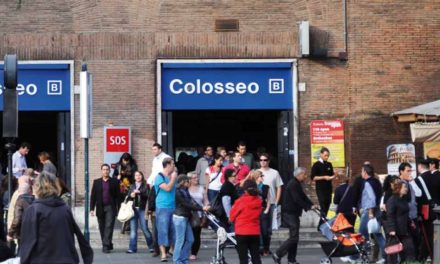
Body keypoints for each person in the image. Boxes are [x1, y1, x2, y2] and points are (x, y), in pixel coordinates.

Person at [19, 172, 93, 264]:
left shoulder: (33, 210)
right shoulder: (65, 209)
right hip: (67, 259)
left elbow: (28, 242)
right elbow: (79, 235)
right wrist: (87, 258)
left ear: (37, 187)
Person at [273, 167, 318, 264]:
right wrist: (308, 207)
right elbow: (297, 199)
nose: (306, 176)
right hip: (290, 214)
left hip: (294, 214)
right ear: (300, 174)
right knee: (294, 237)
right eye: (304, 174)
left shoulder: (297, 183)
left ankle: (291, 260)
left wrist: (311, 204)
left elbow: (303, 197)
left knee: (294, 237)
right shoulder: (293, 184)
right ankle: (278, 253)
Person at [352, 164, 386, 263]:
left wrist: (370, 213)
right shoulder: (377, 182)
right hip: (378, 211)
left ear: (365, 172)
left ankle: (354, 257)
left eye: (362, 171)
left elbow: (371, 199)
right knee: (377, 234)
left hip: (369, 212)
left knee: (361, 235)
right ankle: (387, 256)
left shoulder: (367, 183)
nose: (361, 173)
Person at [174, 174, 208, 264]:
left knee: (190, 239)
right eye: (187, 181)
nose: (189, 182)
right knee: (180, 240)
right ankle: (176, 261)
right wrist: (201, 208)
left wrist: (202, 207)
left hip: (186, 217)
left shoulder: (185, 191)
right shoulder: (178, 192)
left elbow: (192, 202)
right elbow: (186, 204)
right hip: (179, 217)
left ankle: (183, 259)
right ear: (183, 182)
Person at [230, 180, 262, 264]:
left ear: (245, 190)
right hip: (254, 232)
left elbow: (232, 217)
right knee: (256, 257)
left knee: (243, 259)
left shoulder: (241, 201)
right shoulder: (259, 201)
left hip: (242, 232)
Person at [90, 163, 119, 253]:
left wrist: (119, 208)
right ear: (101, 171)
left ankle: (105, 246)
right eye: (104, 169)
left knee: (109, 226)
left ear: (109, 171)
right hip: (100, 207)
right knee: (102, 227)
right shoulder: (96, 182)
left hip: (110, 207)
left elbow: (118, 196)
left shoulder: (114, 182)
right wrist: (91, 209)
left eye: (107, 169)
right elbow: (93, 196)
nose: (105, 171)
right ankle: (108, 244)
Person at [385, 179, 416, 263]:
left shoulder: (403, 199)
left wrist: (410, 221)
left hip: (405, 229)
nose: (406, 189)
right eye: (404, 187)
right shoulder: (392, 200)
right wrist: (392, 229)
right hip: (396, 230)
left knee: (410, 250)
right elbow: (390, 215)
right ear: (398, 188)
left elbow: (405, 213)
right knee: (394, 252)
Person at [258, 153, 283, 255]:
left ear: (268, 161)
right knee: (261, 227)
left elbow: (279, 187)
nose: (263, 162)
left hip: (272, 203)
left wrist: (277, 201)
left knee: (269, 228)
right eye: (261, 160)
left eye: (265, 160)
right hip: (259, 204)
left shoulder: (274, 173)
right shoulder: (256, 172)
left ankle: (266, 248)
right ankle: (262, 248)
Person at [154, 157, 177, 262]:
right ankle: (163, 253)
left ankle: (172, 250)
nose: (174, 166)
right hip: (162, 207)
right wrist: (173, 178)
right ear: (167, 165)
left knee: (174, 230)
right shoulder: (159, 177)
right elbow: (167, 188)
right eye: (172, 164)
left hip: (173, 206)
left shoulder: (173, 176)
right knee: (163, 230)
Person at [243, 170, 271, 256]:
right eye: (261, 176)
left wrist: (267, 209)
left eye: (262, 176)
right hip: (254, 210)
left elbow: (269, 199)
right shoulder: (252, 187)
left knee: (265, 230)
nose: (262, 177)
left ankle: (266, 248)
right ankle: (260, 249)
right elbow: (243, 188)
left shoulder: (266, 186)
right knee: (257, 230)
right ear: (256, 177)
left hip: (263, 209)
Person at [126, 171, 154, 254]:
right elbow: (127, 198)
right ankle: (132, 248)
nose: (138, 177)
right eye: (136, 175)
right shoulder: (131, 186)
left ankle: (152, 246)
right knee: (133, 230)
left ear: (142, 176)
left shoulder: (146, 185)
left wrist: (140, 193)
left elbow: (149, 196)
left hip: (142, 209)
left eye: (139, 175)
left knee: (145, 228)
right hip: (133, 209)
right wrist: (131, 195)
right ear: (134, 177)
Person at [311, 147, 336, 229]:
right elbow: (313, 177)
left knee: (327, 206)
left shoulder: (329, 164)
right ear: (321, 154)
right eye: (325, 155)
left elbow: (332, 175)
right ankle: (321, 226)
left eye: (328, 156)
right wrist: (324, 177)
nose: (326, 157)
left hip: (328, 189)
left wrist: (334, 176)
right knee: (323, 206)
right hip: (320, 189)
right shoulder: (316, 165)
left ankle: (321, 225)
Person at [6, 176, 33, 246]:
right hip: (34, 232)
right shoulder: (35, 200)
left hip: (22, 233)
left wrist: (10, 233)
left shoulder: (20, 201)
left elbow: (17, 219)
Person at [188, 171, 209, 260]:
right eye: (194, 178)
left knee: (196, 235)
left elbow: (206, 200)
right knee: (187, 234)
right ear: (189, 180)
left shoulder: (201, 188)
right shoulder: (186, 188)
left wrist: (207, 207)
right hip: (188, 214)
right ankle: (186, 251)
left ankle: (194, 253)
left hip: (199, 215)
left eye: (197, 177)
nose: (196, 179)